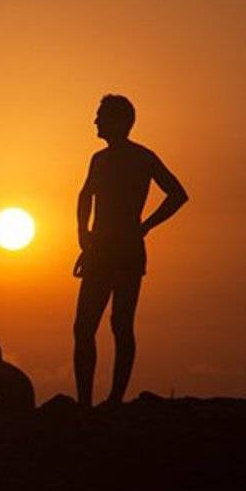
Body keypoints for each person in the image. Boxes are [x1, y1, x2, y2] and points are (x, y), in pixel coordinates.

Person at [73, 94, 188, 407]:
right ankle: (86, 402)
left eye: (101, 116)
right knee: (85, 327)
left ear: (118, 120)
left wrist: (146, 225)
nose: (95, 121)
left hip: (125, 250)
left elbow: (178, 194)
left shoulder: (142, 157)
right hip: (102, 249)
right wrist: (84, 236)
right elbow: (84, 196)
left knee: (119, 324)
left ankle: (113, 399)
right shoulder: (99, 159)